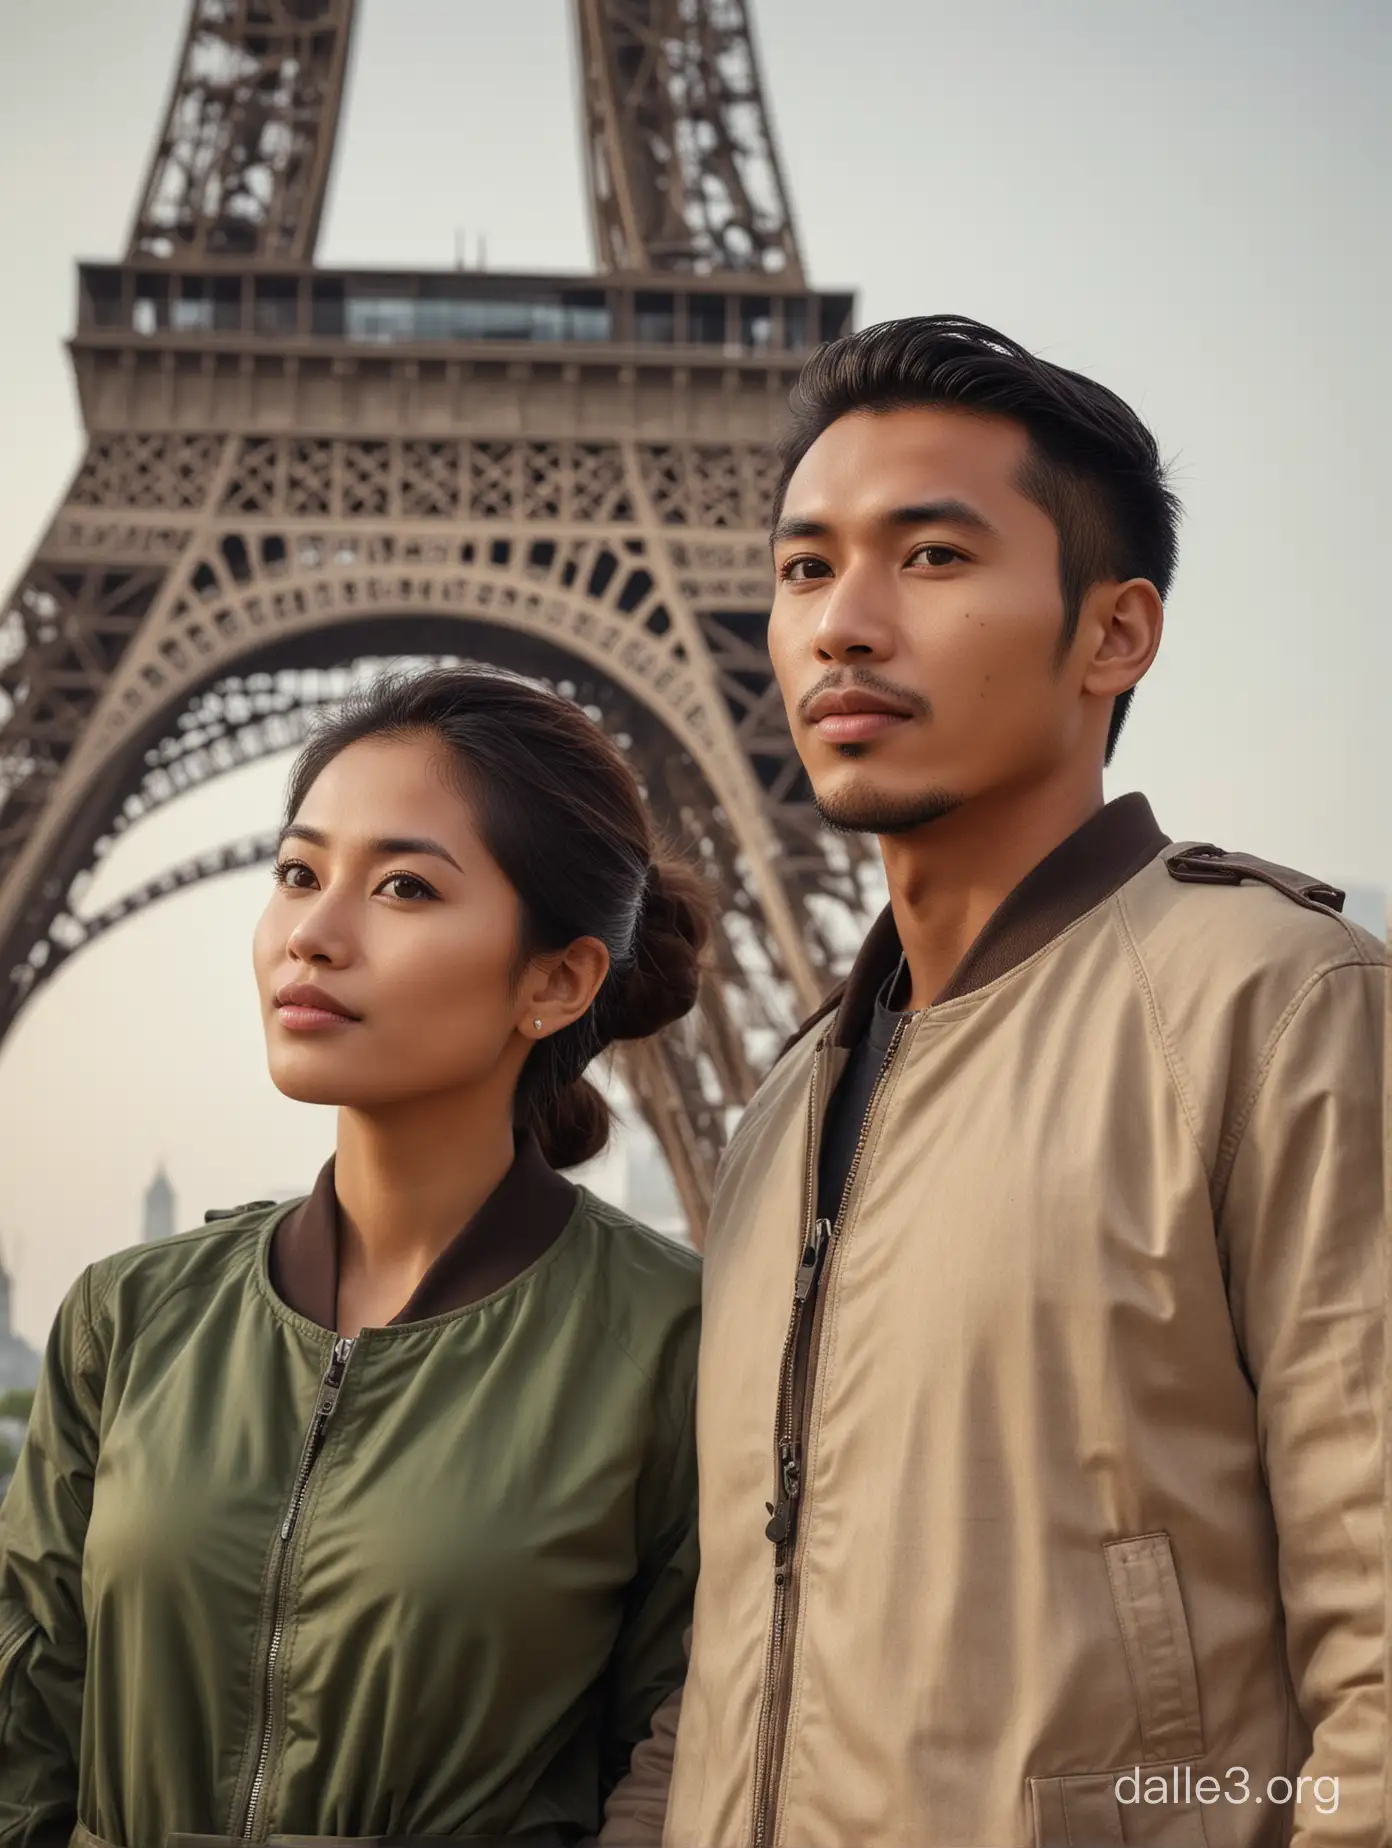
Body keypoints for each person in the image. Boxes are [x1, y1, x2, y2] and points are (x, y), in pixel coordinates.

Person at [639, 317, 1386, 1847]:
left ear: (1113, 634)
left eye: (929, 558)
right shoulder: (784, 1110)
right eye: (803, 568)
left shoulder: (1276, 1004)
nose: (843, 624)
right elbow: (739, 1654)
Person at [0, 668, 710, 1848]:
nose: (315, 936)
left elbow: (687, 1764)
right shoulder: (126, 1318)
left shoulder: (676, 1343)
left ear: (557, 980)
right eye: (297, 873)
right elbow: (25, 1741)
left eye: (402, 886)